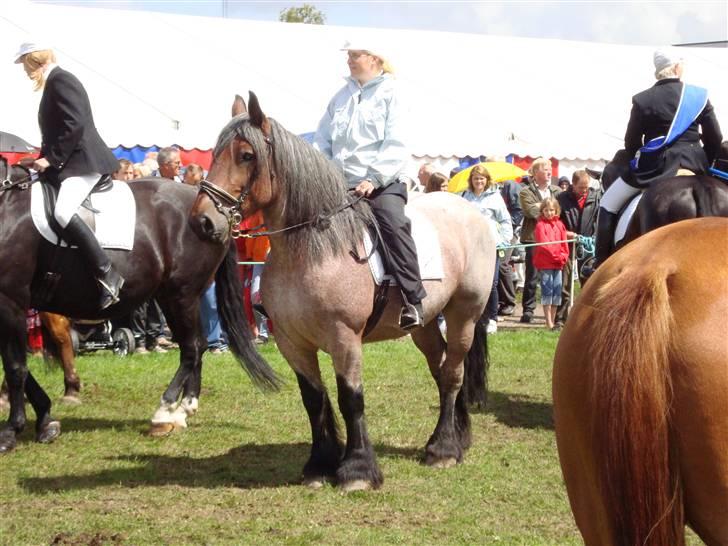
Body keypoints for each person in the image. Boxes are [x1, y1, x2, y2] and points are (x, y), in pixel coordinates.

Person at [314, 41, 426, 330]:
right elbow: (322, 140)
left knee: (392, 222)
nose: (349, 60)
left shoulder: (393, 94)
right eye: (348, 55)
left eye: (355, 55)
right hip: (340, 185)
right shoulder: (340, 97)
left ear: (375, 58)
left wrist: (373, 178)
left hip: (384, 182)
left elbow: (396, 142)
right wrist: (324, 175)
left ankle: (413, 299)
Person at [589, 48, 723, 273]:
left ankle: (599, 264)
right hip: (696, 163)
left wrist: (637, 161)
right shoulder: (698, 96)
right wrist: (703, 163)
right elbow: (716, 137)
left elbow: (631, 141)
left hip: (655, 168)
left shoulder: (643, 100)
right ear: (678, 68)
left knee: (608, 203)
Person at [15, 42, 122, 310]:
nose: (25, 72)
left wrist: (51, 159)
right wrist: (39, 158)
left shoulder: (62, 80)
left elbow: (74, 124)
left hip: (84, 162)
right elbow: (58, 130)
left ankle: (107, 272)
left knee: (63, 212)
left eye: (25, 65)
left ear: (33, 60)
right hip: (69, 162)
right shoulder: (54, 82)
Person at [460, 165, 512, 334]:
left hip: (490, 246)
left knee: (492, 283)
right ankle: (471, 317)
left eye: (481, 178)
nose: (479, 181)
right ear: (471, 180)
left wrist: (504, 240)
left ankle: (492, 318)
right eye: (476, 178)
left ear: (486, 180)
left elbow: (505, 220)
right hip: (469, 245)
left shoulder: (495, 197)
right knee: (469, 284)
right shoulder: (464, 197)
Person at [518, 158, 561, 323]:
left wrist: (541, 207)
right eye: (545, 169)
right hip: (533, 240)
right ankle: (528, 310)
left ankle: (554, 313)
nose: (549, 172)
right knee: (532, 276)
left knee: (554, 277)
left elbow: (559, 212)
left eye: (550, 169)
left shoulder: (556, 190)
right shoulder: (525, 191)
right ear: (535, 173)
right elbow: (530, 211)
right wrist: (549, 208)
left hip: (554, 240)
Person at [554, 169, 600, 326]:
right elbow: (555, 220)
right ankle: (561, 319)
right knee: (565, 282)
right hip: (566, 244)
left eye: (586, 187)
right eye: (581, 187)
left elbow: (599, 219)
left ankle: (586, 319)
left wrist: (594, 237)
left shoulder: (595, 198)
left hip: (587, 245)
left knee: (587, 281)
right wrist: (565, 233)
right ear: (573, 185)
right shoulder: (561, 198)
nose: (584, 190)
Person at [533, 198, 569, 331]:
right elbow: (544, 244)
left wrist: (564, 256)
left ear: (556, 210)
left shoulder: (560, 224)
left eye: (552, 210)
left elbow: (564, 242)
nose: (549, 212)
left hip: (558, 263)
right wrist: (556, 255)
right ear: (542, 210)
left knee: (557, 291)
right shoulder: (540, 225)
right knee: (547, 290)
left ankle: (553, 320)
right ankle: (548, 321)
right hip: (546, 262)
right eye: (546, 210)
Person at [496, 178, 523, 317]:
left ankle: (509, 301)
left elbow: (518, 210)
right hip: (491, 232)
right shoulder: (487, 187)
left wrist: (503, 225)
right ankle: (498, 301)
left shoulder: (510, 185)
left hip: (508, 232)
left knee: (502, 264)